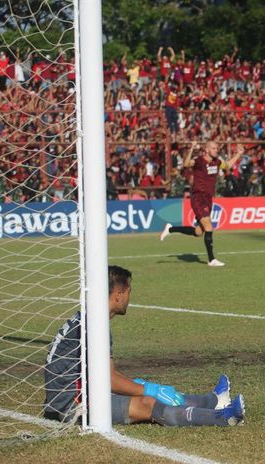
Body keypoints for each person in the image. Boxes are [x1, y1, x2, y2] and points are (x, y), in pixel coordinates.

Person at [44, 265, 246, 426]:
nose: (129, 299)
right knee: (147, 402)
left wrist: (144, 386)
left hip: (71, 395)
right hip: (72, 405)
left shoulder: (88, 317)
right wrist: (150, 389)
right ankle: (221, 418)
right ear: (119, 294)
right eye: (129, 292)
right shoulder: (96, 325)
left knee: (138, 386)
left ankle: (214, 401)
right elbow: (110, 381)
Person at [160, 142, 243, 267]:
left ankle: (170, 229)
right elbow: (186, 164)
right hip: (198, 197)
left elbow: (228, 165)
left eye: (217, 148)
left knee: (199, 232)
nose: (216, 150)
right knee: (209, 227)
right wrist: (192, 148)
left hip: (208, 199)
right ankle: (211, 259)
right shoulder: (199, 161)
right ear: (206, 149)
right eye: (214, 148)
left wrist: (238, 154)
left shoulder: (217, 162)